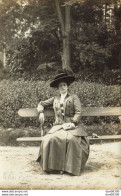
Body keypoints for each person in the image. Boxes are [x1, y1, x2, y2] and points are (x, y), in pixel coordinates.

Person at [36, 72, 89, 176]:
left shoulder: (74, 97)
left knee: (70, 140)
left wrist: (73, 122)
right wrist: (41, 112)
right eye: (60, 86)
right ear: (58, 88)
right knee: (49, 139)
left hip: (72, 126)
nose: (62, 87)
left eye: (64, 85)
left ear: (67, 86)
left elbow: (79, 112)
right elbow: (41, 104)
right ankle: (53, 167)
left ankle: (68, 168)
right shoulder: (55, 99)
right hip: (58, 126)